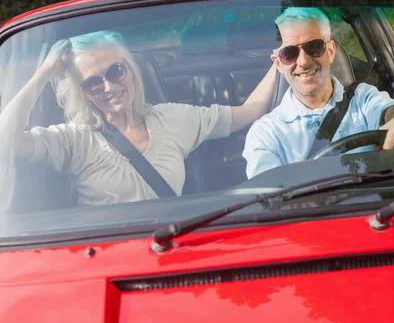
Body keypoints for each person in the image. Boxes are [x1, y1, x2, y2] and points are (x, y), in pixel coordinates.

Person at [0, 30, 276, 206]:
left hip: (169, 251)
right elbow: (4, 139)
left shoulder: (172, 119)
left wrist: (282, 60)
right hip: (102, 258)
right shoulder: (74, 138)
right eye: (93, 83)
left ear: (130, 70)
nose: (108, 87)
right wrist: (45, 72)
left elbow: (250, 111)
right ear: (82, 92)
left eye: (115, 71)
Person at [243, 8, 394, 178]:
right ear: (278, 64)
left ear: (330, 51)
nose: (303, 61)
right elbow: (270, 199)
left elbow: (389, 111)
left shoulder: (362, 98)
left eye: (314, 47)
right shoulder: (266, 134)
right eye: (289, 54)